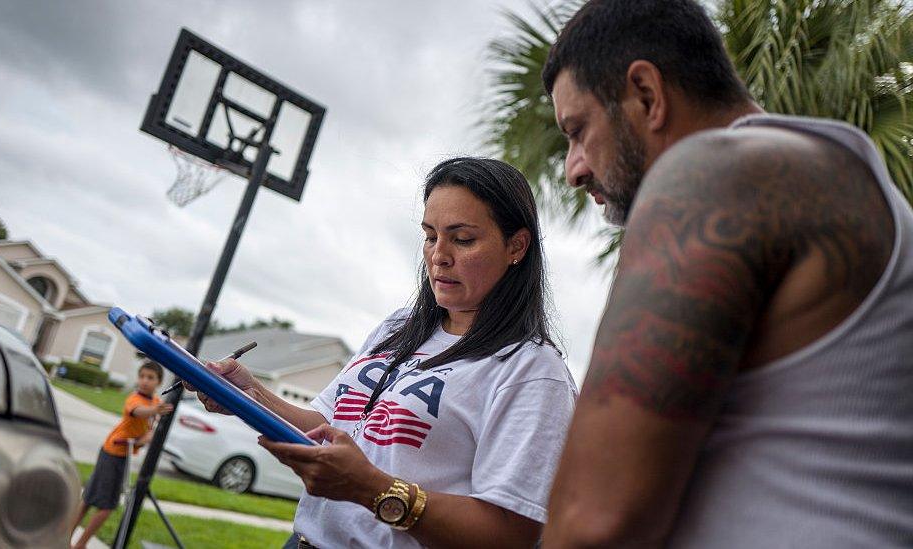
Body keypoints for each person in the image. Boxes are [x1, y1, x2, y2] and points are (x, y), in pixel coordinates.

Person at [539, 1, 913, 547]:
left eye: (578, 130)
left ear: (646, 94)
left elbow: (591, 522)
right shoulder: (836, 174)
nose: (574, 167)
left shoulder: (715, 172)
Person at [190, 157, 578, 548]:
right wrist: (248, 396)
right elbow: (324, 425)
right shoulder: (399, 326)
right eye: (430, 235)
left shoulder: (531, 370)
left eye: (462, 239)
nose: (439, 255)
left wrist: (370, 488)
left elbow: (509, 534)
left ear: (516, 245)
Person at [70, 361, 173, 549]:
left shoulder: (156, 402)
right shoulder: (134, 399)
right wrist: (154, 415)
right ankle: (79, 543)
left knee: (90, 497)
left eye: (150, 378)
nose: (144, 381)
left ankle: (71, 540)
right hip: (113, 451)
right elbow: (139, 413)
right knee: (105, 505)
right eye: (142, 376)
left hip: (120, 453)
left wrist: (147, 435)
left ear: (159, 382)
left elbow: (152, 424)